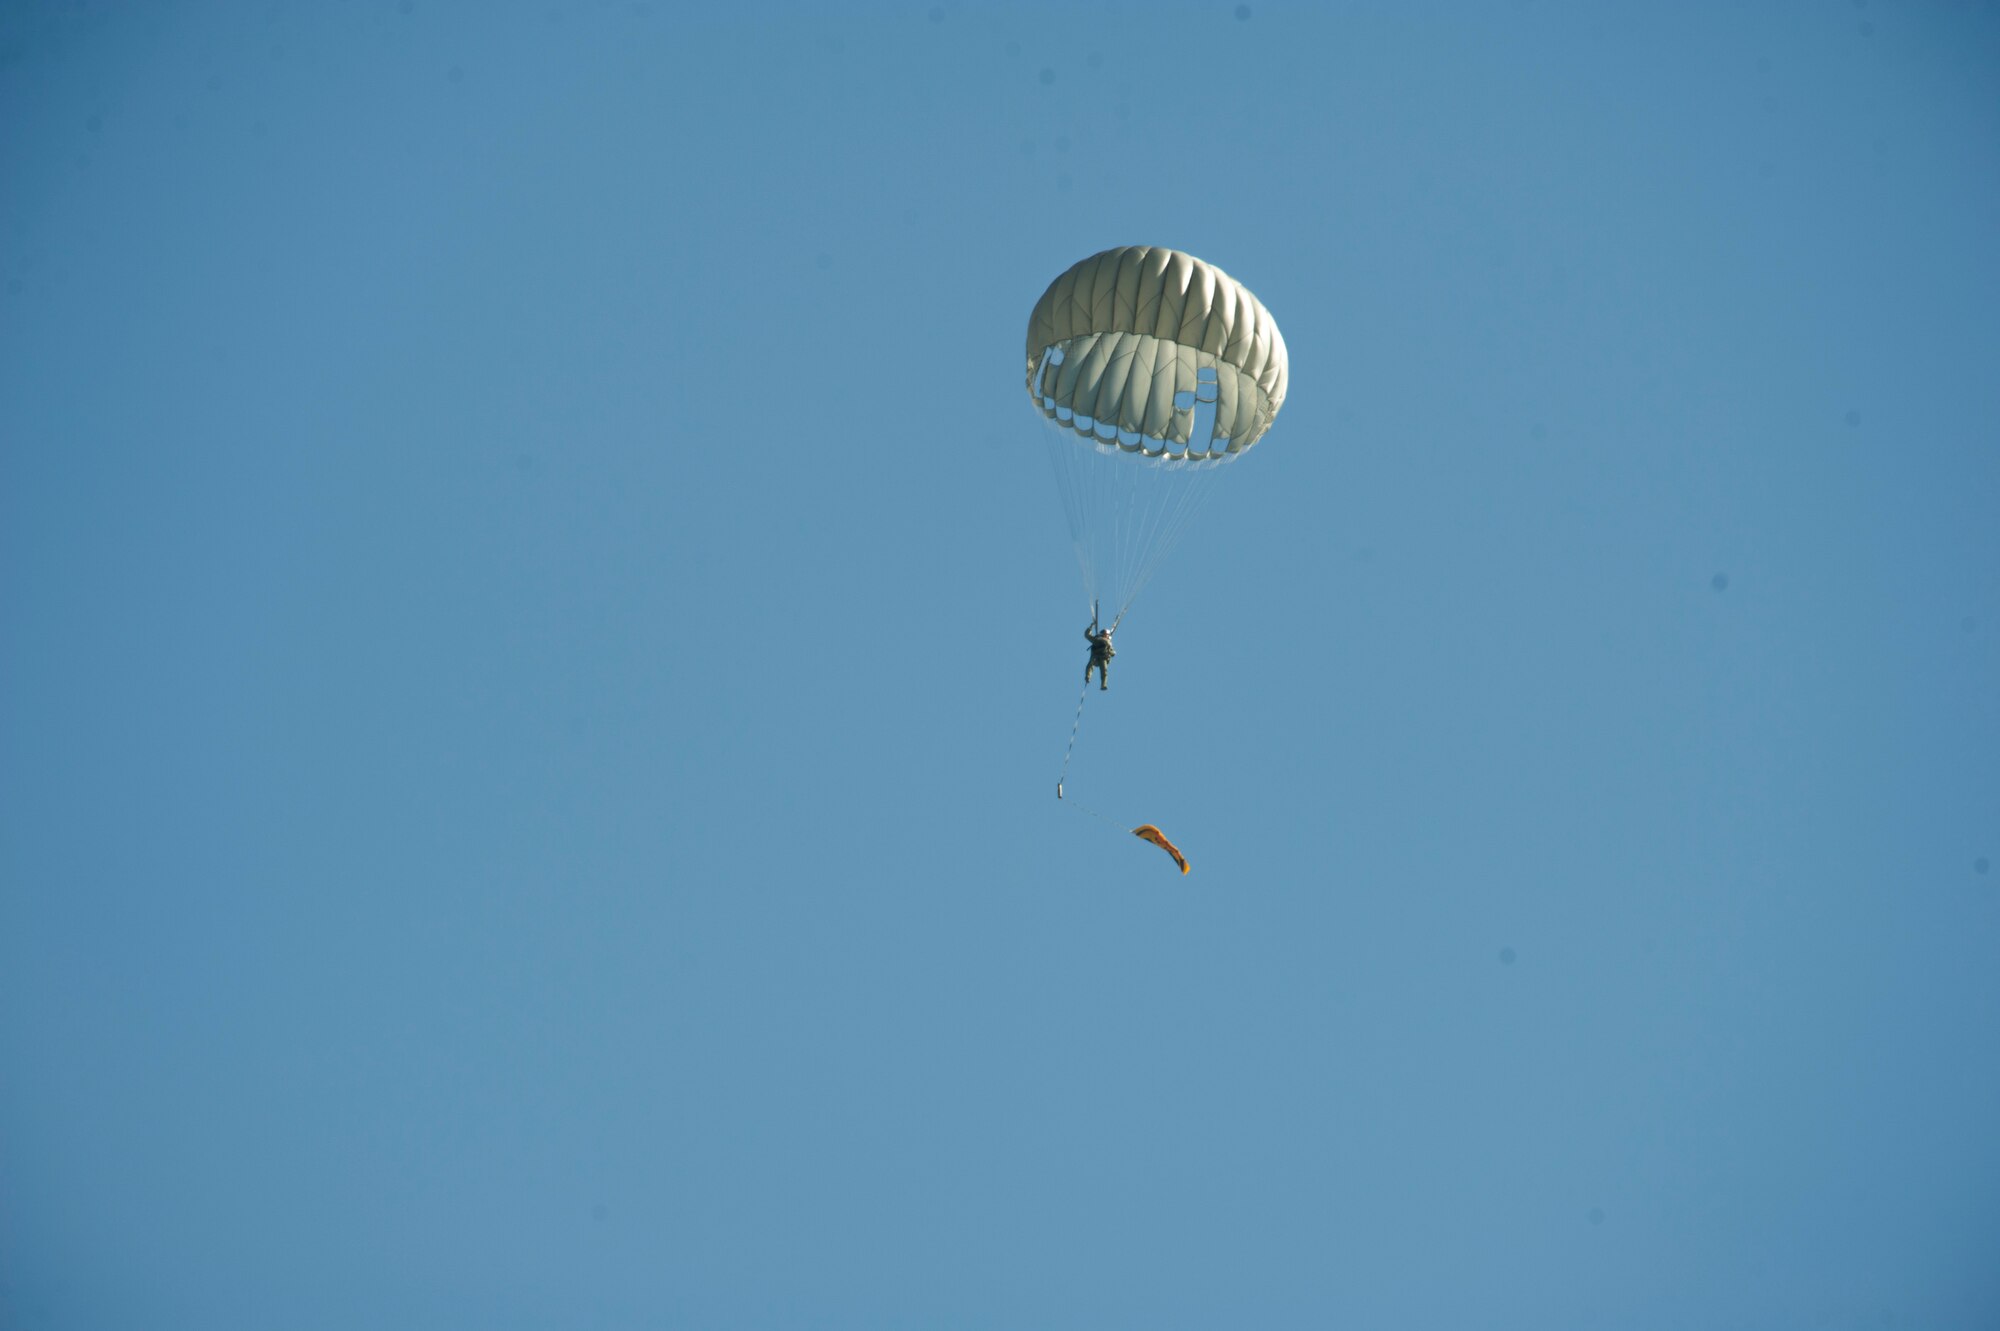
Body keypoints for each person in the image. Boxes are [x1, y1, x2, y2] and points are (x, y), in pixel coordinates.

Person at [1084, 620, 1116, 691]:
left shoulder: (1108, 643)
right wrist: (1091, 626)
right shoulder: (1097, 639)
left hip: (1103, 657)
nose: (1105, 635)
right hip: (1096, 656)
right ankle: (1088, 677)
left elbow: (1113, 653)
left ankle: (1103, 685)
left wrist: (1110, 652)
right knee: (1091, 665)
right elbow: (1087, 635)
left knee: (1104, 671)